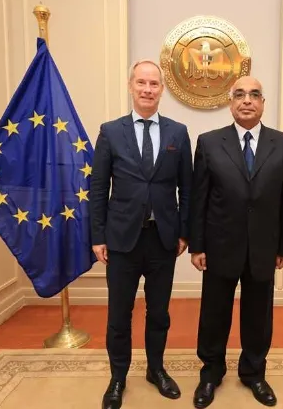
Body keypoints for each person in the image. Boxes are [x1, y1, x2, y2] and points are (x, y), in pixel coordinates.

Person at [188, 76, 283, 408]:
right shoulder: (209, 143)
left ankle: (254, 373)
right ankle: (210, 374)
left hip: (264, 247)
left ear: (263, 103)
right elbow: (199, 198)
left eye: (254, 94)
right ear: (230, 103)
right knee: (214, 314)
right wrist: (197, 245)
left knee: (258, 316)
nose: (246, 100)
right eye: (239, 94)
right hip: (219, 246)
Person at [90, 59, 192, 409]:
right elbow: (98, 187)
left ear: (162, 89)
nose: (147, 89)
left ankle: (156, 369)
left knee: (159, 313)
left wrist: (184, 232)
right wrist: (98, 236)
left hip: (163, 240)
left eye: (154, 84)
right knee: (119, 315)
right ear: (131, 86)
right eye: (141, 83)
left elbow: (187, 188)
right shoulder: (110, 131)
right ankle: (118, 377)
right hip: (121, 240)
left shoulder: (178, 133)